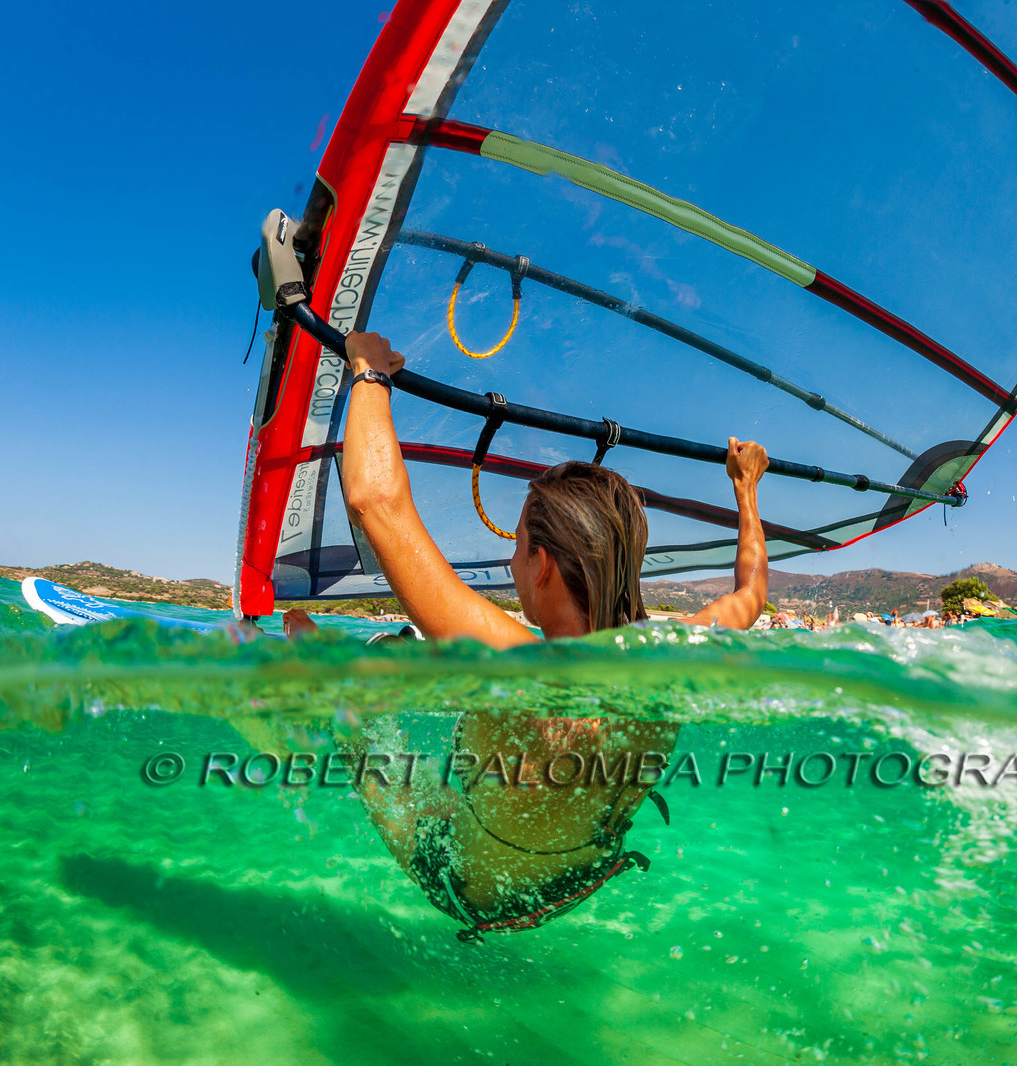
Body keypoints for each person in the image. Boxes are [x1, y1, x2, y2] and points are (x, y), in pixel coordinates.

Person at [283, 330, 772, 942]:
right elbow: (752, 593)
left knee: (357, 725)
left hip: (462, 887)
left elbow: (377, 503)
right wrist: (746, 487)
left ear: (541, 565)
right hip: (576, 884)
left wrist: (369, 372)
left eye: (516, 546)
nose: (512, 562)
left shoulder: (517, 663)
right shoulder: (672, 655)